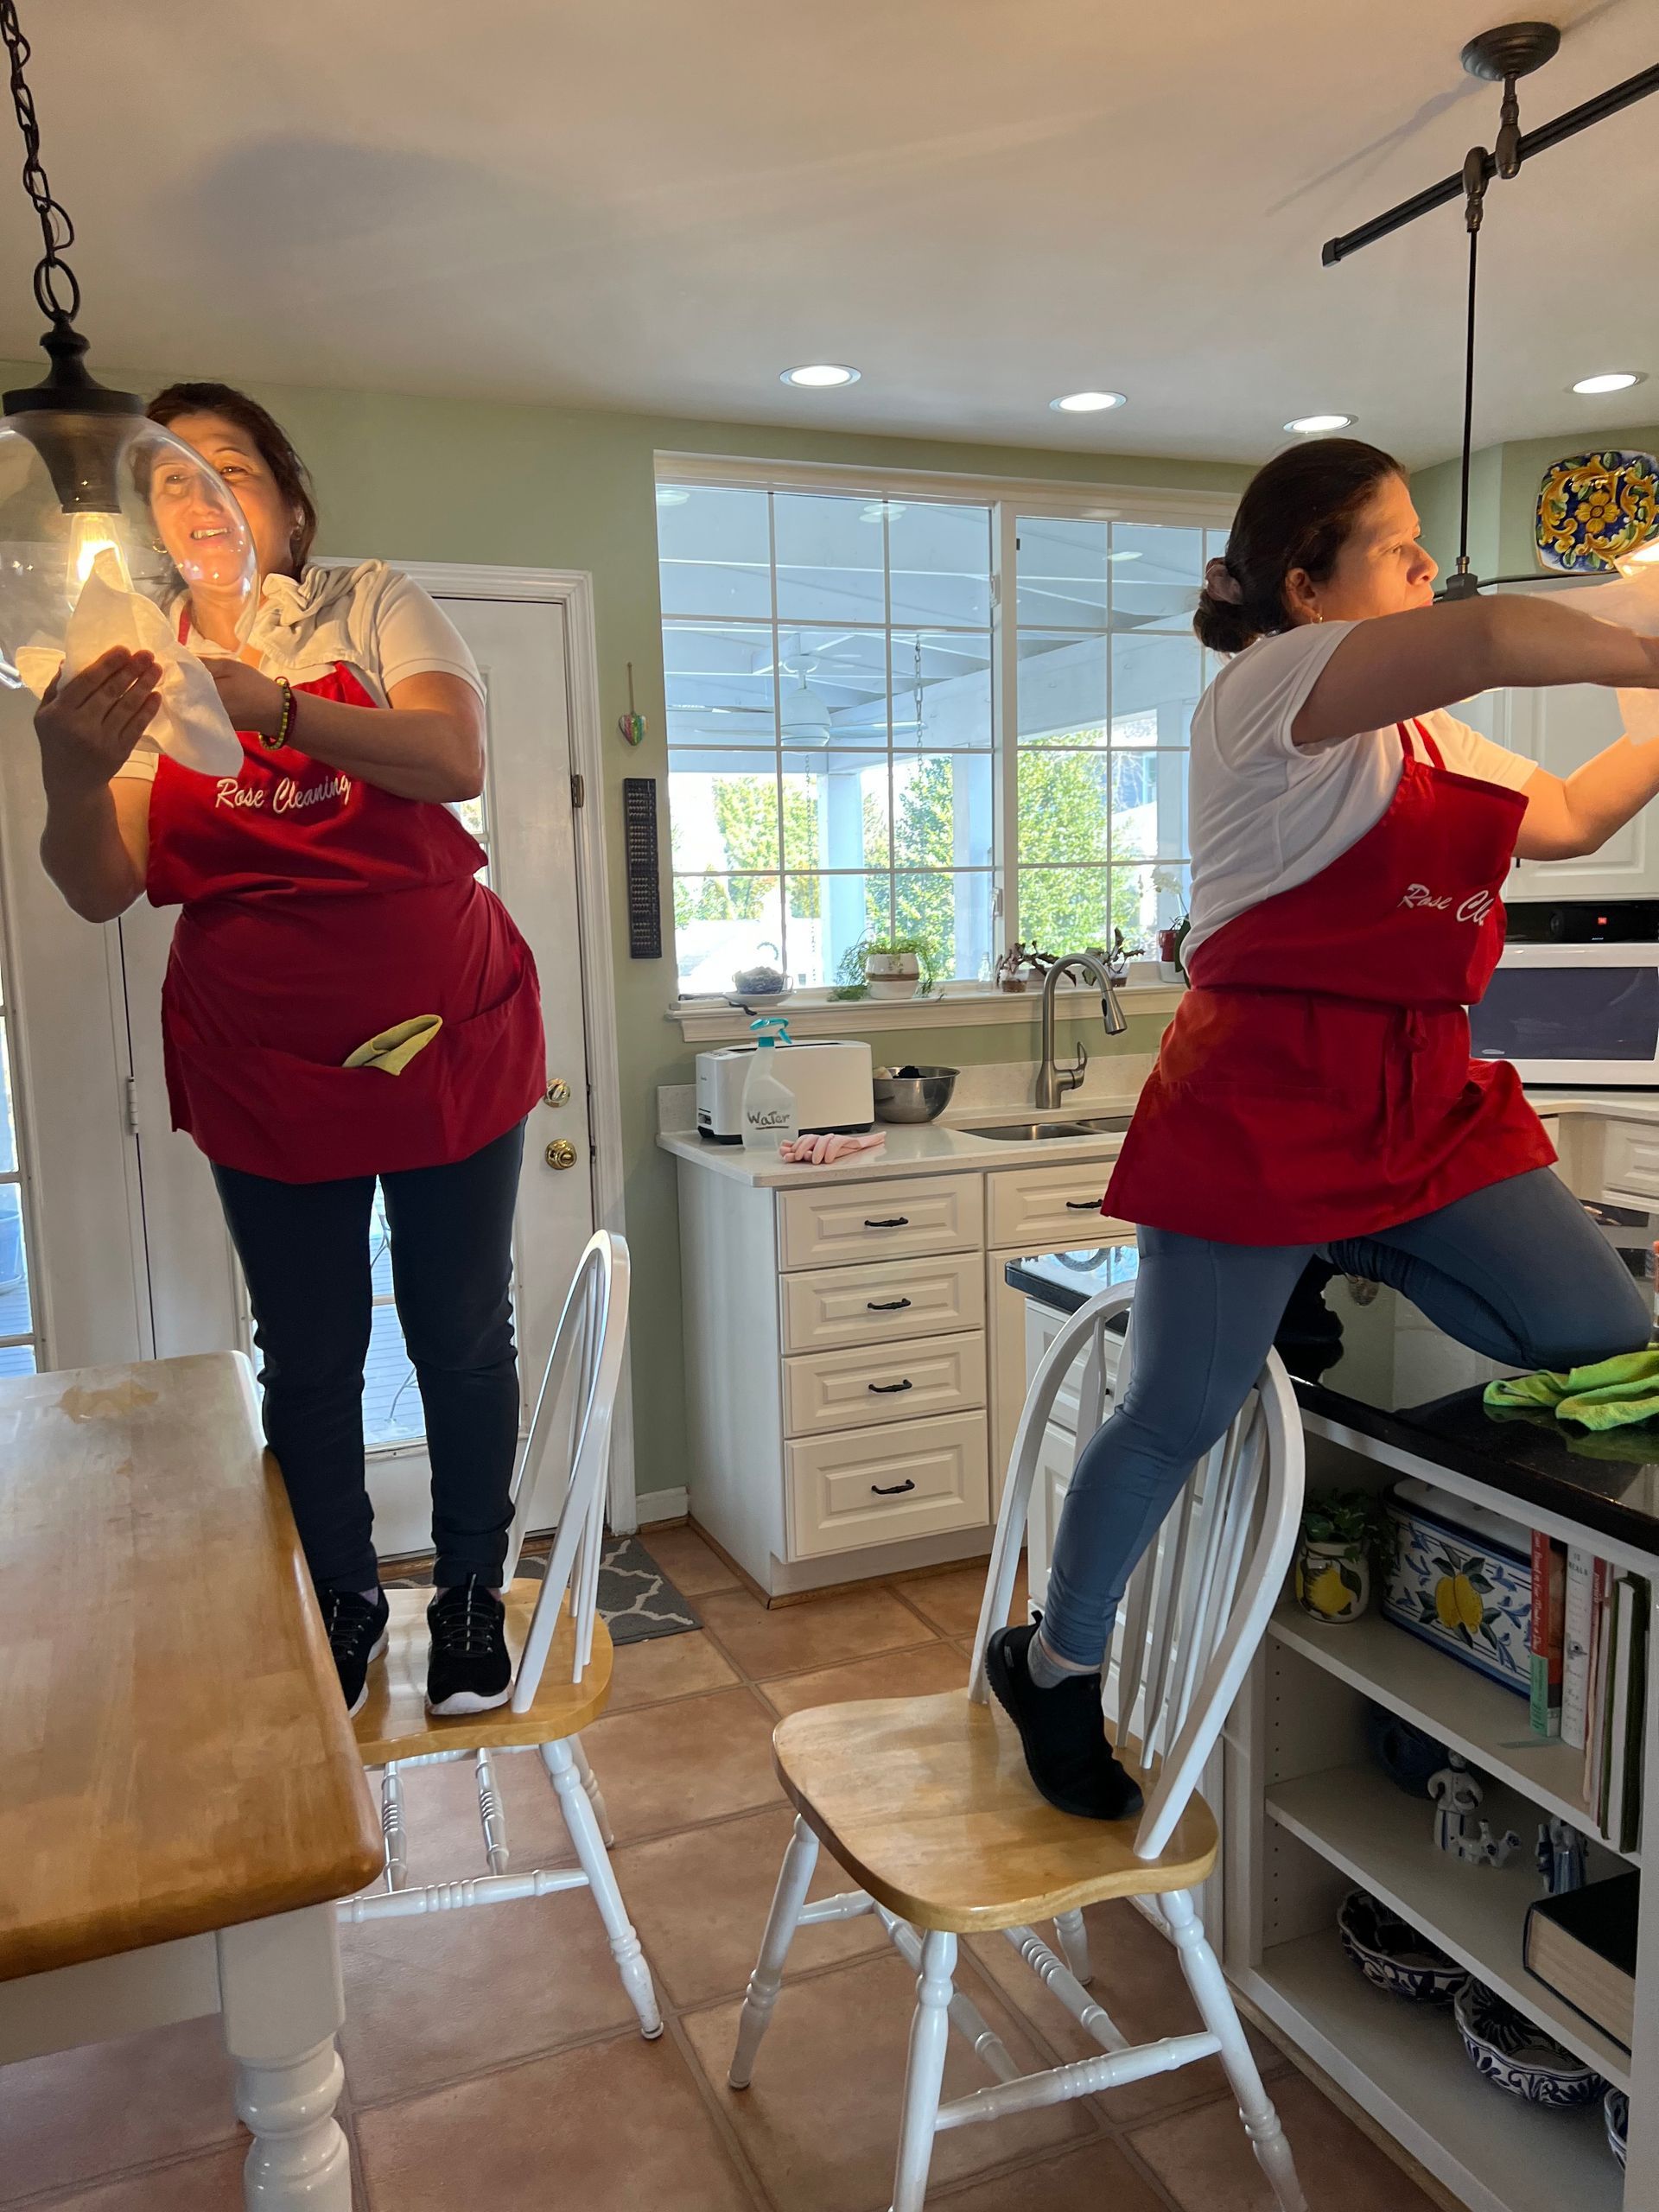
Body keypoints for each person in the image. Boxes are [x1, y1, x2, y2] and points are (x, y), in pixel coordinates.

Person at [988, 438, 1659, 1819]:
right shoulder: (1268, 687)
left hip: (1420, 1095)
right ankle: (1056, 1665)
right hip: (1265, 1100)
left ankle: (1336, 1251)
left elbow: (1583, 817)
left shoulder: (1427, 736)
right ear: (1306, 584)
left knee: (1596, 1333)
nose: (1427, 562)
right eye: (1399, 543)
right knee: (1179, 1407)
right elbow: (1488, 635)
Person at [31, 381, 545, 1719]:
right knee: (308, 1356)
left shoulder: (373, 606)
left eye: (231, 469)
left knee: (460, 1337)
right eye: (171, 480)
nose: (201, 496)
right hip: (265, 1066)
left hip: (452, 1044)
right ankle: (343, 1596)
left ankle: (476, 1592)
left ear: (289, 502)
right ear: (146, 525)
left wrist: (274, 708)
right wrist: (71, 775)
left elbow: (449, 755)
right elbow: (101, 886)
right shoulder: (130, 661)